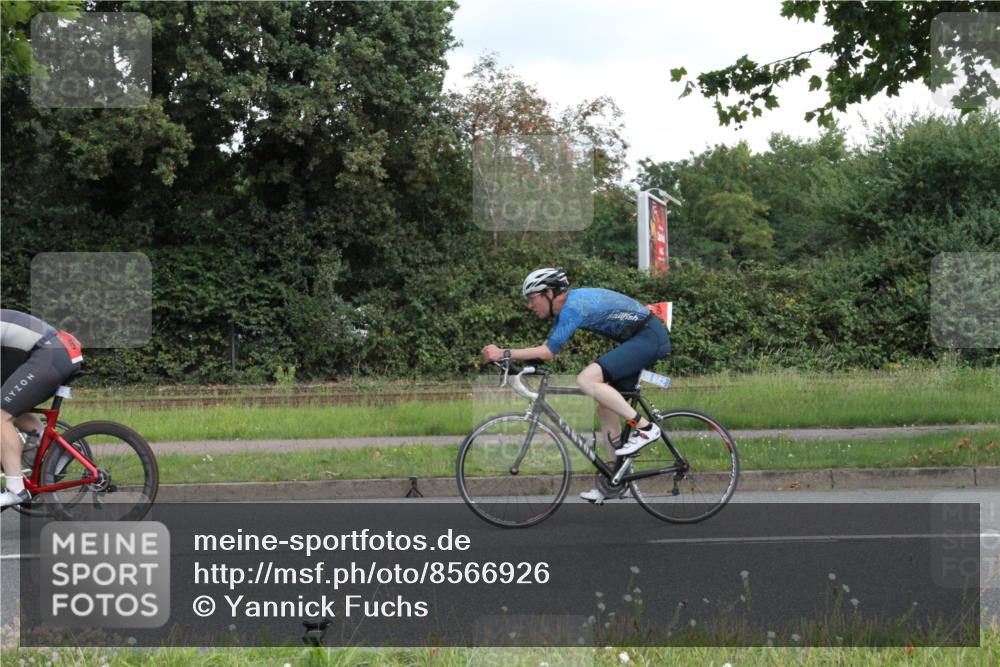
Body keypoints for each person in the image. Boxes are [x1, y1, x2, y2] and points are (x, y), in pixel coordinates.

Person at [481, 268, 670, 504]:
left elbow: (548, 352)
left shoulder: (572, 307)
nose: (530, 305)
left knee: (586, 379)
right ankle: (614, 479)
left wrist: (504, 352)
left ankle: (645, 428)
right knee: (605, 407)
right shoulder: (565, 310)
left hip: (648, 337)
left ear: (548, 293)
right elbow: (547, 348)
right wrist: (516, 363)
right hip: (638, 339)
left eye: (532, 298)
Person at [1, 309, 83, 508]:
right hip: (60, 350)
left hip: (50, 353)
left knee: (1, 416)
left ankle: (15, 489)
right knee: (10, 406)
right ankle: (56, 448)